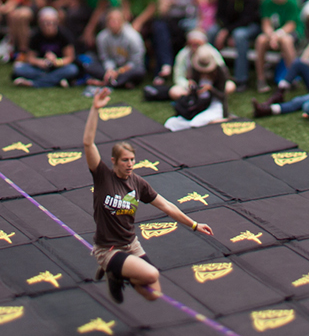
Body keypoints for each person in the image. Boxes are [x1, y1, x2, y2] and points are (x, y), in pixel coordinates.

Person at [83, 88, 214, 302]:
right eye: (125, 160)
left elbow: (167, 206)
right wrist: (95, 109)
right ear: (114, 161)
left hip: (131, 245)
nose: (130, 164)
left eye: (132, 160)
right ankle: (113, 269)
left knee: (153, 294)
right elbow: (88, 143)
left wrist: (194, 224)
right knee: (151, 273)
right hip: (109, 249)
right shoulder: (102, 176)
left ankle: (118, 274)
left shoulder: (138, 183)